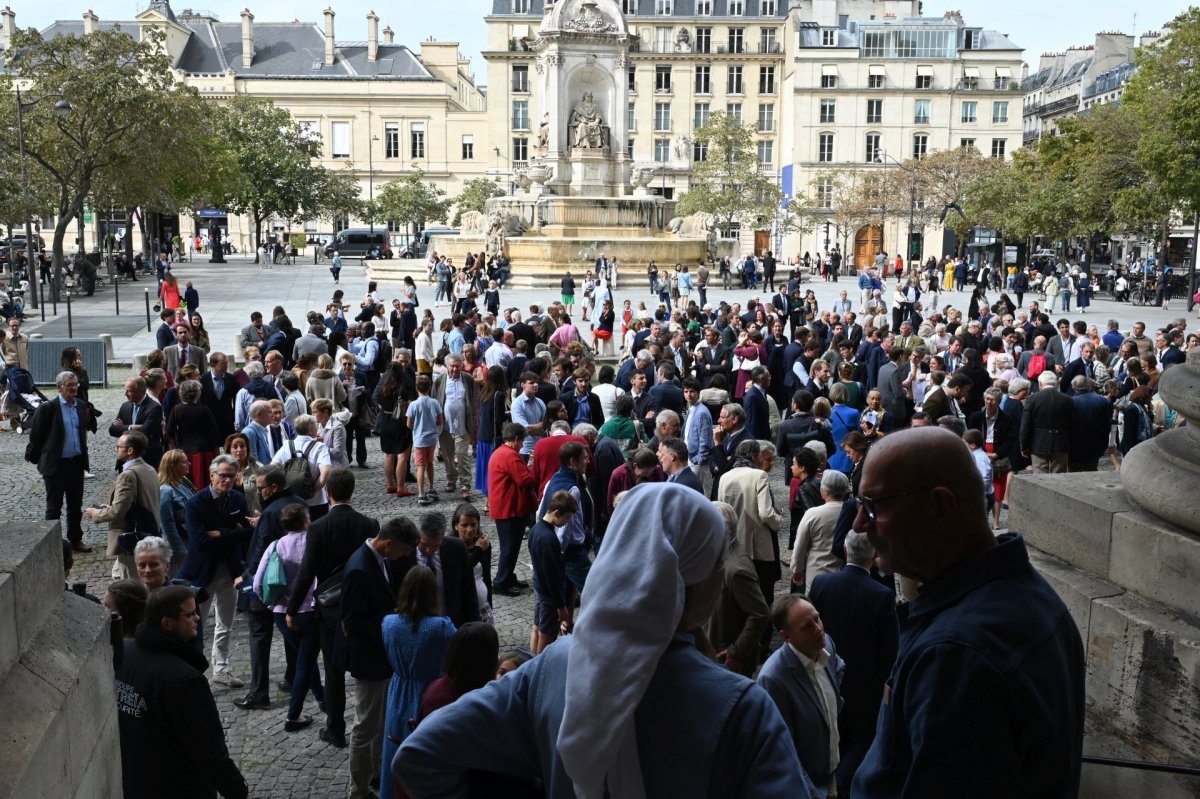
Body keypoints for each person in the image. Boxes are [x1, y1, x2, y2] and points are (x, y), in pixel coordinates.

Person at [394, 483, 815, 798]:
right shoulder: (743, 707)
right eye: (717, 564)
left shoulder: (551, 666)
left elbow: (421, 756)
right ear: (699, 582)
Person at [850, 427, 1085, 797]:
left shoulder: (955, 655)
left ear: (940, 506)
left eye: (874, 506)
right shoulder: (1033, 596)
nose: (859, 524)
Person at [116, 585, 248, 799]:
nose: (197, 618)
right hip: (178, 786)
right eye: (189, 614)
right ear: (167, 623)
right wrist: (236, 789)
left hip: (136, 780)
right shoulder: (183, 679)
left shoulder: (125, 653)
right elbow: (206, 747)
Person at [809, 531, 899, 796]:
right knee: (861, 741)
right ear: (874, 557)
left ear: (846, 551)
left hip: (825, 674)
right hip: (865, 685)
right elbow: (890, 652)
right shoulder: (881, 595)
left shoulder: (822, 584)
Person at [342, 516, 420, 799]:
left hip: (380, 657)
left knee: (378, 723)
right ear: (388, 544)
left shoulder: (378, 559)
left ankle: (376, 773)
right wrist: (392, 620)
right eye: (402, 551)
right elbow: (352, 623)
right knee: (364, 727)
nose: (402, 558)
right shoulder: (359, 569)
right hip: (368, 661)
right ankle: (358, 790)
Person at [378, 565, 457, 799]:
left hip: (398, 691)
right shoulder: (442, 627)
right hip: (429, 693)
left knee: (394, 747)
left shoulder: (388, 623)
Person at [179, 455, 257, 689]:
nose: (226, 480)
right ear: (212, 476)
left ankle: (221, 669)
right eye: (222, 475)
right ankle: (192, 671)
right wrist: (230, 533)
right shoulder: (195, 503)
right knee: (195, 625)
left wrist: (219, 534)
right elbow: (200, 541)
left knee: (226, 623)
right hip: (202, 572)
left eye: (231, 476)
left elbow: (246, 534)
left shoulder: (237, 499)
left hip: (229, 571)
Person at [758, 595, 845, 797]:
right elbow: (783, 752)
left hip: (831, 775)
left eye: (817, 618)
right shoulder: (773, 678)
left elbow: (839, 668)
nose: (818, 629)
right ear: (785, 636)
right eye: (807, 627)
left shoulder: (825, 643)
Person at [251, 501, 324, 732]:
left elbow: (257, 584)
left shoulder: (275, 546)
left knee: (306, 659)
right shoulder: (315, 543)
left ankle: (323, 701)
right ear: (305, 521)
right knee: (305, 662)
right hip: (310, 611)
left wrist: (272, 604)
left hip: (283, 614)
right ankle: (293, 716)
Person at [717, 438, 783, 659]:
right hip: (758, 546)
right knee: (762, 598)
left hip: (735, 545)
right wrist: (779, 520)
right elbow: (766, 513)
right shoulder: (759, 476)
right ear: (755, 456)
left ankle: (739, 642)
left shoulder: (725, 476)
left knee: (739, 599)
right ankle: (760, 646)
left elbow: (721, 508)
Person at [26, 371, 99, 553]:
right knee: (54, 508)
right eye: (70, 385)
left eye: (76, 385)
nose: (74, 388)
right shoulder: (48, 408)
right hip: (55, 465)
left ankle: (75, 540)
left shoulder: (81, 406)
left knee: (75, 506)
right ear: (59, 387)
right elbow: (36, 437)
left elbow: (88, 428)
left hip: (76, 464)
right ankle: (52, 544)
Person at [85, 431, 162, 580]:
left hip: (132, 537)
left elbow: (117, 511)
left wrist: (96, 514)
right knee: (117, 577)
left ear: (130, 450)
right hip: (149, 532)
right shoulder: (150, 469)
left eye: (118, 446)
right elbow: (136, 502)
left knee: (130, 584)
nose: (116, 449)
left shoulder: (127, 475)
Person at [708, 501, 769, 678]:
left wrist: (736, 651)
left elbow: (760, 614)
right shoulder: (723, 554)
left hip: (727, 660)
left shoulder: (736, 570)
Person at [488, 422, 537, 597]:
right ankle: (501, 581)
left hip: (506, 506)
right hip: (509, 508)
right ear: (516, 439)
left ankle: (508, 576)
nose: (523, 444)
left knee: (512, 546)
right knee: (509, 547)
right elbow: (525, 480)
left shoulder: (501, 452)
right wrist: (532, 467)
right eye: (522, 441)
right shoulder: (510, 456)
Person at [529, 489, 577, 654]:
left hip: (540, 589)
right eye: (567, 518)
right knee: (547, 636)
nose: (567, 522)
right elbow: (553, 576)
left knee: (537, 628)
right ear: (557, 513)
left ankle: (531, 661)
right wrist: (561, 606)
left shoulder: (536, 530)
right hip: (549, 596)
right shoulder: (549, 539)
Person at [415, 511, 481, 628]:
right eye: (424, 545)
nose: (429, 551)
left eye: (435, 546)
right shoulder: (405, 553)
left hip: (451, 626)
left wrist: (473, 627)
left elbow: (469, 591)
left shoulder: (456, 548)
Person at [790, 470, 851, 593]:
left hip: (817, 573)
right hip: (845, 573)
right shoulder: (851, 512)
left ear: (825, 491)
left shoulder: (813, 514)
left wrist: (797, 569)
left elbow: (800, 546)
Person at [433, 354, 476, 499]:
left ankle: (465, 485)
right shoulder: (440, 380)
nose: (455, 369)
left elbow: (475, 400)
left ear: (462, 365)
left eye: (458, 365)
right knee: (448, 456)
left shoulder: (468, 379)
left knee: (462, 456)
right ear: (447, 366)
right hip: (445, 425)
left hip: (463, 425)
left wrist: (475, 421)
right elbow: (434, 401)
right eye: (452, 365)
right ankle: (451, 479)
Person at [1020, 371, 1075, 473]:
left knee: (1040, 478)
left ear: (1040, 384)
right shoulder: (1067, 399)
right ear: (1056, 383)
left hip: (1038, 443)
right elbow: (1072, 424)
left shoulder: (1032, 399)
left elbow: (1026, 424)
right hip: (1061, 443)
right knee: (1059, 477)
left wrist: (1023, 445)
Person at [449, 502, 493, 623]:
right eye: (465, 525)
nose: (470, 529)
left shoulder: (484, 545)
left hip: (483, 607)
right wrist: (478, 550)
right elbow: (463, 570)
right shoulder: (451, 547)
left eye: (473, 525)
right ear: (456, 526)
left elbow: (487, 576)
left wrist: (490, 604)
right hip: (462, 608)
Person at [407, 374, 444, 506]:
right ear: (430, 387)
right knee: (430, 464)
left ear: (416, 388)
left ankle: (421, 493)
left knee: (420, 466)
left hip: (419, 439)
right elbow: (440, 420)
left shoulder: (413, 404)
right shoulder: (434, 403)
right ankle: (431, 488)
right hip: (432, 438)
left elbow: (408, 423)